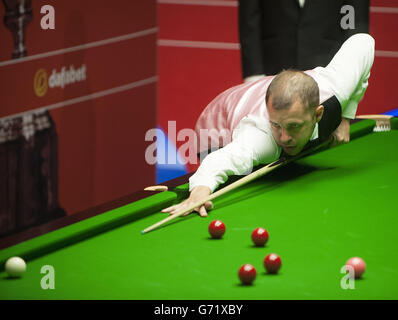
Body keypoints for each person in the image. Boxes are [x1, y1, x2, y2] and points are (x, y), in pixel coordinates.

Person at [162, 33, 375, 217]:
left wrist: (346, 116)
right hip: (216, 131)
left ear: (318, 113)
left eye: (294, 126)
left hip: (250, 102)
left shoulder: (336, 87)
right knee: (245, 171)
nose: (283, 137)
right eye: (277, 125)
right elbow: (222, 159)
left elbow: (363, 42)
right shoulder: (261, 136)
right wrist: (200, 190)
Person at [239, 0, 370, 82]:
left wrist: (351, 74)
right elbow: (249, 18)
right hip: (273, 68)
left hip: (330, 69)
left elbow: (354, 16)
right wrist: (254, 75)